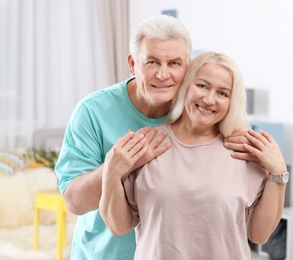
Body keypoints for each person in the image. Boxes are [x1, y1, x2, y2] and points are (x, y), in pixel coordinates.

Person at [99, 51, 288, 260]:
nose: (209, 99)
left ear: (232, 101)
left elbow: (260, 235)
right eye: (202, 86)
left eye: (223, 93)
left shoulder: (243, 152)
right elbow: (118, 225)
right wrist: (111, 174)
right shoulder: (149, 143)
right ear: (186, 85)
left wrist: (278, 172)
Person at [54, 15, 192, 259]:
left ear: (187, 67)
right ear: (132, 63)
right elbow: (74, 202)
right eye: (152, 62)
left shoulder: (196, 114)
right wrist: (116, 168)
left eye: (174, 63)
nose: (163, 74)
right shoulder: (92, 111)